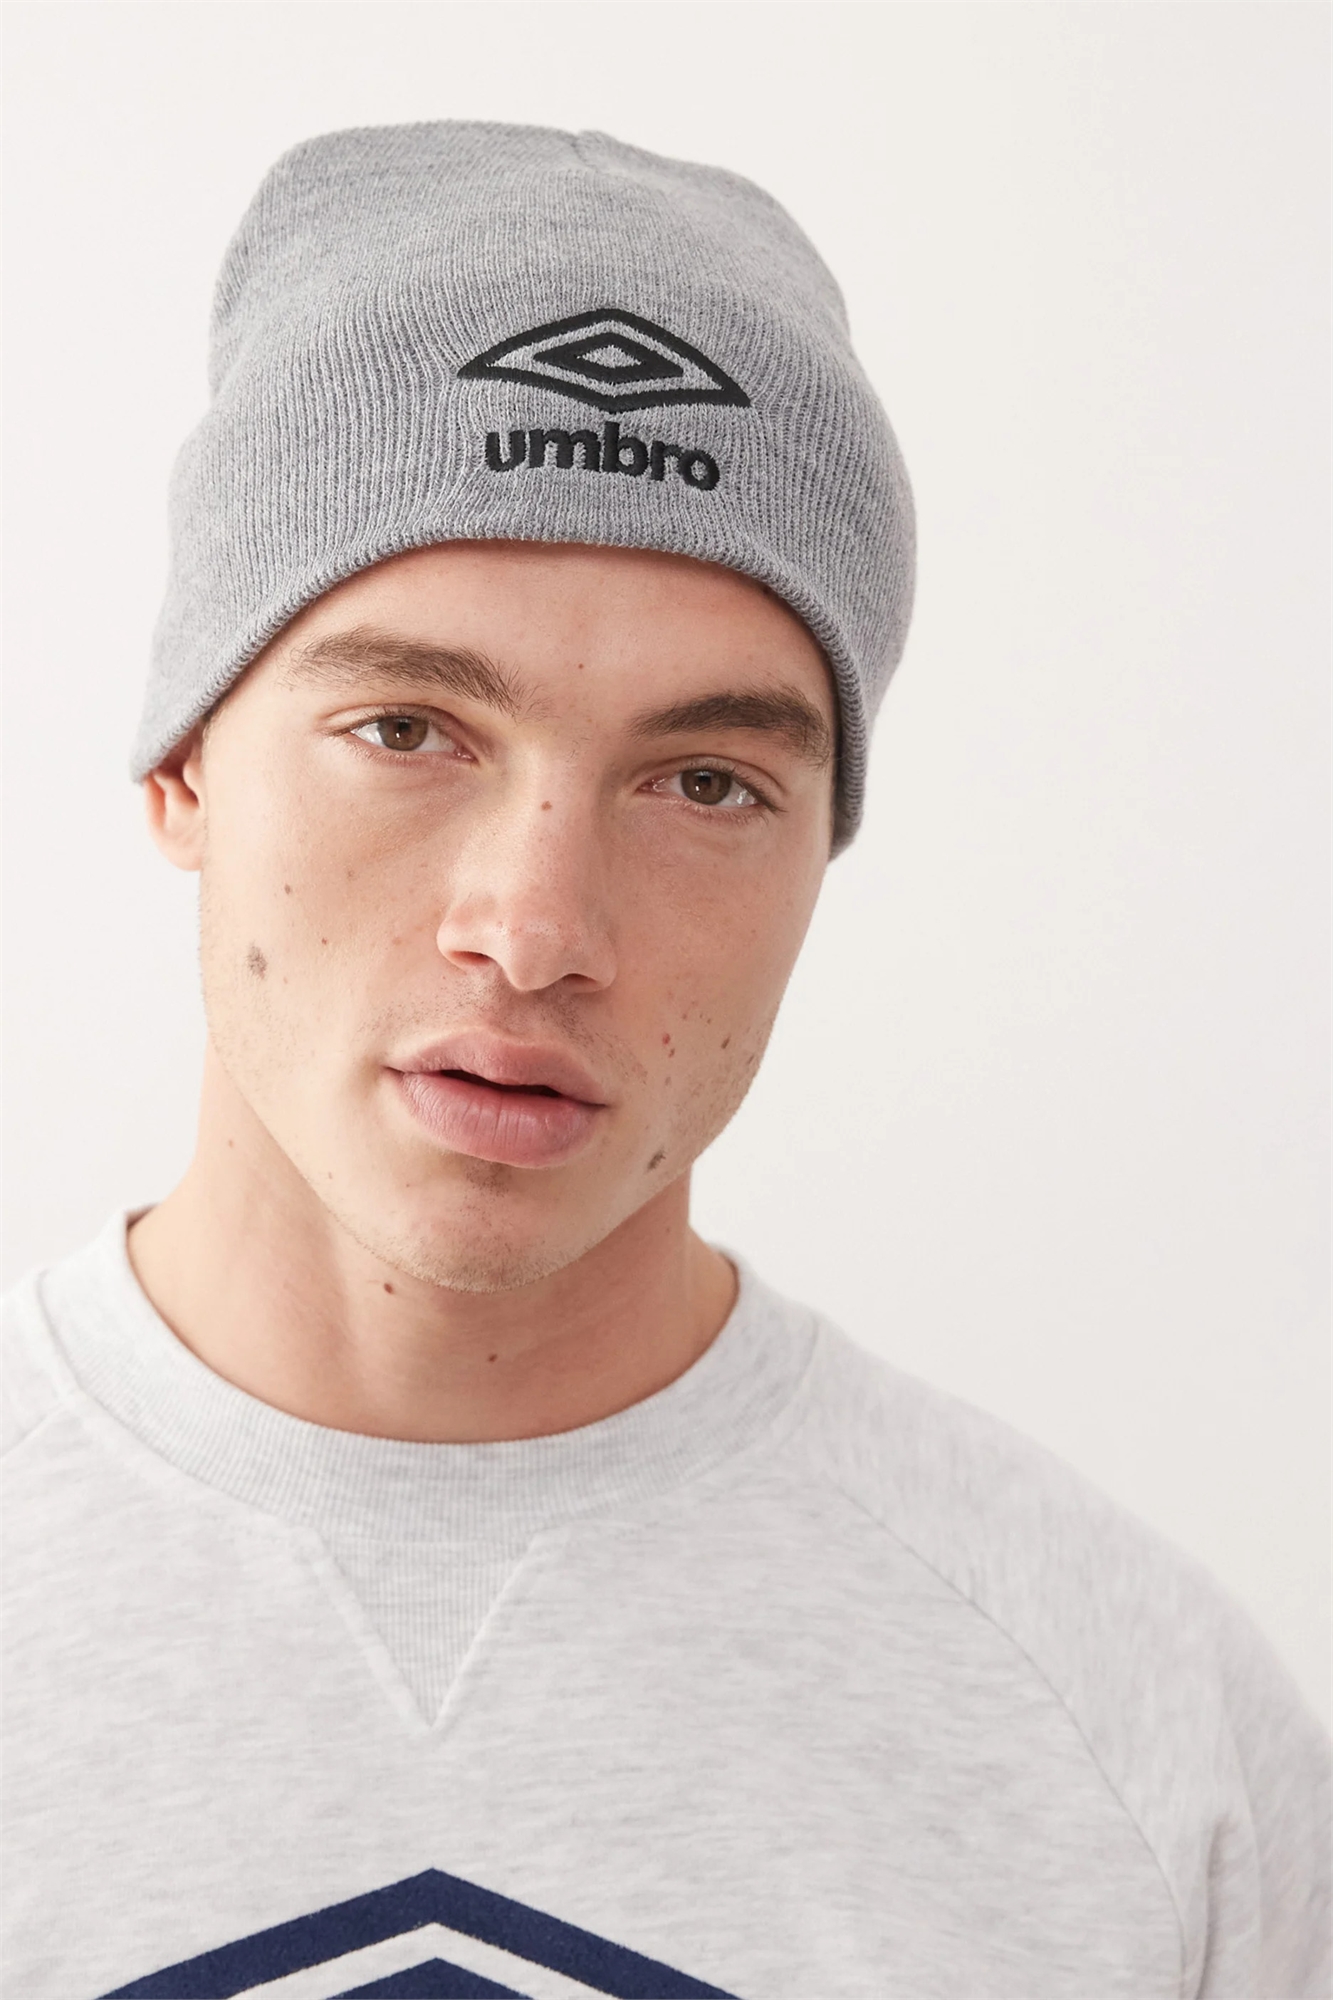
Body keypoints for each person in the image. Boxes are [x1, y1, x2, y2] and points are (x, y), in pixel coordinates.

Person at [2, 121, 1326, 2000]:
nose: (534, 927)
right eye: (408, 729)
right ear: (183, 767)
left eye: (704, 782)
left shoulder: (1139, 1738)